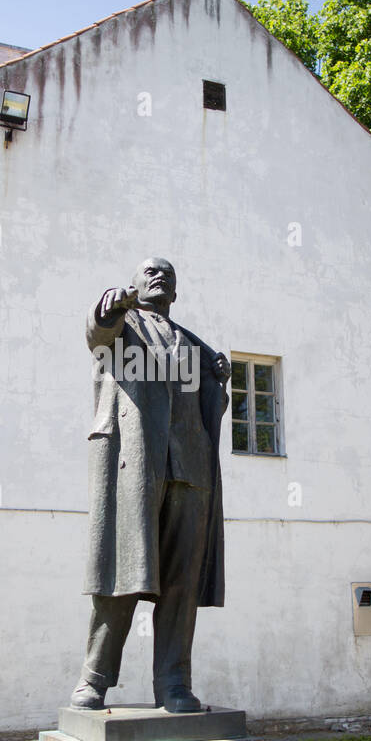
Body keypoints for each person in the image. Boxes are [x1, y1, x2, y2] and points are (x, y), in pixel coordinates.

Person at [69, 257, 230, 713]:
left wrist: (220, 383)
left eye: (169, 274)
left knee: (181, 584)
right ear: (136, 283)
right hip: (134, 466)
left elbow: (206, 411)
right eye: (151, 271)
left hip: (190, 471)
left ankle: (175, 685)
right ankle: (94, 680)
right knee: (121, 575)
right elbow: (95, 334)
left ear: (175, 293)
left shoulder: (194, 346)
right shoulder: (122, 327)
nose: (160, 276)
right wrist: (108, 308)